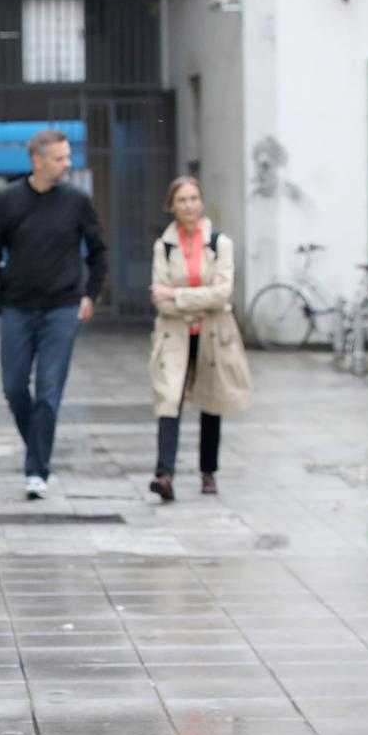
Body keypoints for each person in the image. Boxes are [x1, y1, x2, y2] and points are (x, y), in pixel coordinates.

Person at [0, 128, 107, 499]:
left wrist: (90, 294)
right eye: (61, 157)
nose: (68, 163)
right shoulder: (11, 200)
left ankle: (37, 468)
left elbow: (98, 251)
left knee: (48, 390)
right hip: (16, 307)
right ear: (38, 160)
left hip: (62, 309)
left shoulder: (77, 201)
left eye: (67, 156)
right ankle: (38, 446)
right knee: (14, 387)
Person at [147, 176, 252, 501]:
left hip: (213, 332)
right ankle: (164, 474)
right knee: (169, 399)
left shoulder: (219, 243)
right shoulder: (163, 246)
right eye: (182, 200)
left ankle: (209, 473)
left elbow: (222, 296)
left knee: (211, 400)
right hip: (174, 334)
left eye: (194, 198)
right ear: (172, 205)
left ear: (201, 202)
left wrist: (177, 295)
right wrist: (198, 296)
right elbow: (159, 299)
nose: (189, 205)